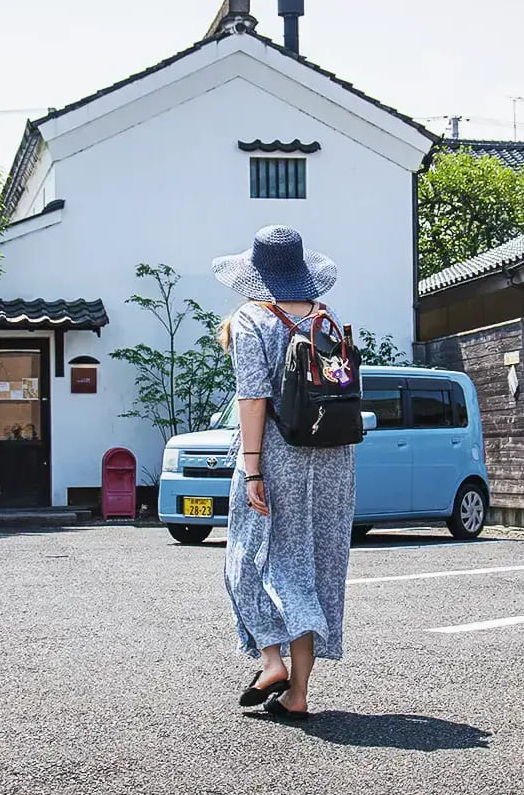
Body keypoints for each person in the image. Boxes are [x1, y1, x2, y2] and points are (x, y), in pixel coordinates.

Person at [213, 225, 356, 722]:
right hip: (334, 456)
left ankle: (271, 661)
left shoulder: (252, 319)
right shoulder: (327, 318)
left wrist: (252, 470)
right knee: (312, 565)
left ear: (256, 274)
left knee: (250, 557)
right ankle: (299, 694)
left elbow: (252, 397)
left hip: (277, 453)